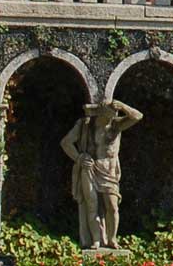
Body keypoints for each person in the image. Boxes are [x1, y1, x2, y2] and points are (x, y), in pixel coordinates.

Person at [60, 100, 144, 250]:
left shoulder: (116, 125)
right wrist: (79, 158)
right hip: (90, 169)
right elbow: (66, 142)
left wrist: (123, 106)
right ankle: (96, 240)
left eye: (115, 113)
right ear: (101, 112)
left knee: (112, 207)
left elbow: (138, 116)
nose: (113, 115)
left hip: (109, 172)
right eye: (110, 113)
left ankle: (112, 239)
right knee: (92, 206)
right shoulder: (85, 125)